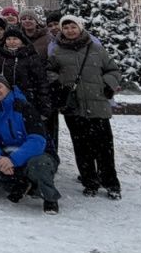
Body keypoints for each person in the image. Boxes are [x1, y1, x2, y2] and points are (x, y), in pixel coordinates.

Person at [48, 15, 122, 199]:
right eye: (66, 28)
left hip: (97, 104)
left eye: (73, 27)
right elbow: (49, 71)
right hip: (74, 106)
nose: (70, 31)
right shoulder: (57, 51)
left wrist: (106, 85)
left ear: (80, 28)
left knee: (104, 147)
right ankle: (90, 181)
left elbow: (113, 70)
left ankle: (111, 183)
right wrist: (59, 84)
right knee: (82, 147)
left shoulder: (96, 48)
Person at [0, 72, 60, 214]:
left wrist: (13, 160)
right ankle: (20, 184)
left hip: (38, 154)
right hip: (7, 154)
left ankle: (50, 198)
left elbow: (37, 140)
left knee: (38, 164)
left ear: (7, 88)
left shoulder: (25, 107)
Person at [0, 26, 51, 116]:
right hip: (6, 99)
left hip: (28, 99)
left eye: (15, 39)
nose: (11, 42)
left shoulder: (31, 56)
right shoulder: (0, 56)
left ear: (22, 40)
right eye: (8, 39)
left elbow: (41, 81)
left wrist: (43, 102)